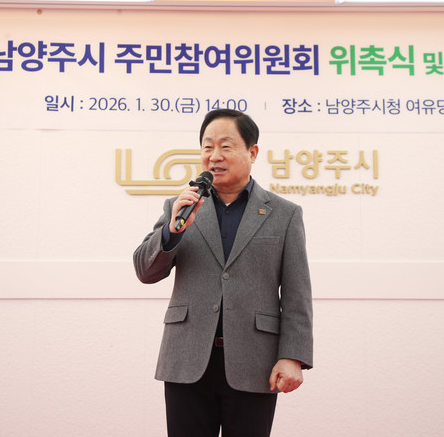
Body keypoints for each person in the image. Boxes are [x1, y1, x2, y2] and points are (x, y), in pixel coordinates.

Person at [133, 108, 313, 437]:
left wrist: (293, 356)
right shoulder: (181, 206)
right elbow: (145, 271)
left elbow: (297, 293)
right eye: (207, 146)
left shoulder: (284, 214)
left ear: (252, 152)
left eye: (226, 146)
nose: (214, 156)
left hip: (255, 361)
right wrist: (172, 232)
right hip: (186, 358)